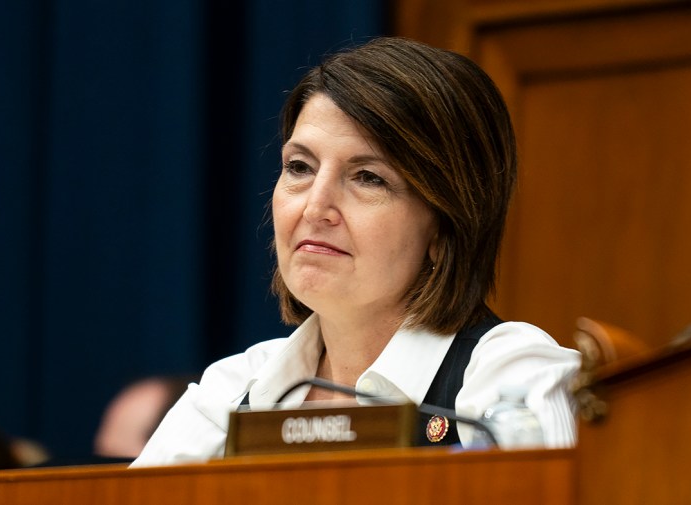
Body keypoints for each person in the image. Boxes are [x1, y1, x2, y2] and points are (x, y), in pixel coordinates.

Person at [131, 36, 580, 467]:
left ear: (446, 226)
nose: (315, 206)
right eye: (299, 167)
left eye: (368, 177)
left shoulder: (514, 379)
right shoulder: (228, 392)